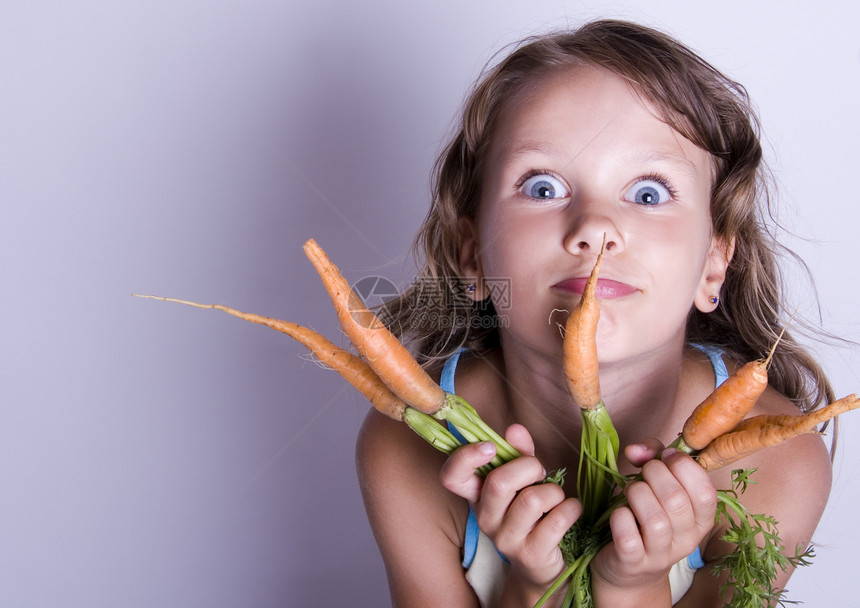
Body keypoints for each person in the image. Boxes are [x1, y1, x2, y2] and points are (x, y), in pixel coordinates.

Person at [356, 19, 834, 607]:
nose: (596, 228)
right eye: (543, 187)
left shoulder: (779, 461)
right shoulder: (404, 447)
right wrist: (531, 589)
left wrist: (633, 588)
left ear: (714, 263)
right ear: (472, 254)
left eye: (649, 192)